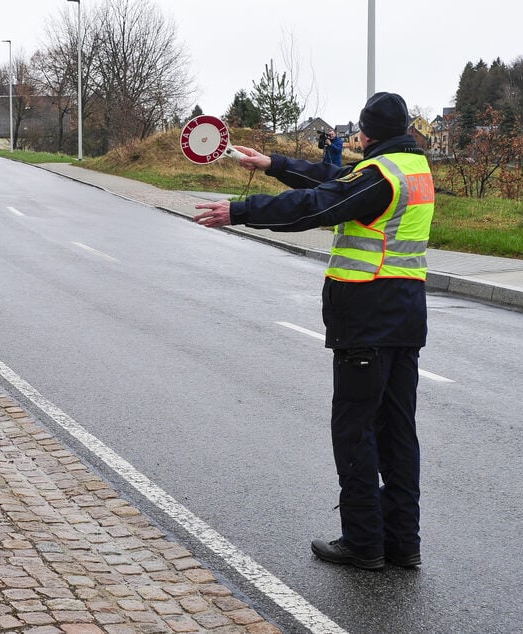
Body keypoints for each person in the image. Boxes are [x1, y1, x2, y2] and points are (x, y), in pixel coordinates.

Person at [192, 92, 433, 571]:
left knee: (355, 431)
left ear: (367, 133)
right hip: (405, 319)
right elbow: (335, 180)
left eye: (360, 132)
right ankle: (402, 541)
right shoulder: (410, 169)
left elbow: (317, 206)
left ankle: (364, 541)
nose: (357, 139)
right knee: (398, 434)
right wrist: (272, 163)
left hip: (367, 318)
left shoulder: (380, 176)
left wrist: (240, 211)